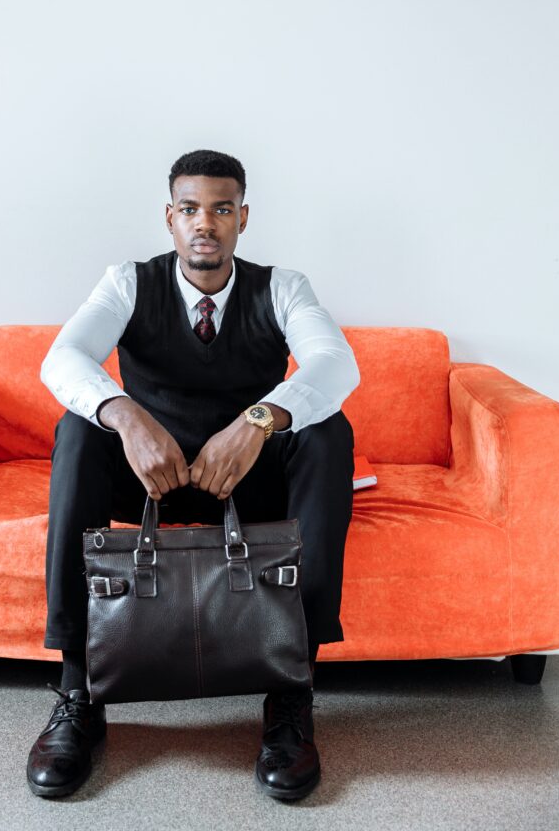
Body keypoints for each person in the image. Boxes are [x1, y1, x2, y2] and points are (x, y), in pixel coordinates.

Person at [27, 149, 360, 801]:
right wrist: (122, 413)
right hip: (149, 479)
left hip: (247, 483)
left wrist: (257, 421)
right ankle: (77, 693)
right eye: (189, 209)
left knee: (327, 433)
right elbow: (62, 357)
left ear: (241, 218)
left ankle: (292, 696)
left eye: (220, 209)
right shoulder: (127, 281)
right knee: (77, 430)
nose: (203, 223)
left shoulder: (282, 286)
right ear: (169, 218)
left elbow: (334, 363)